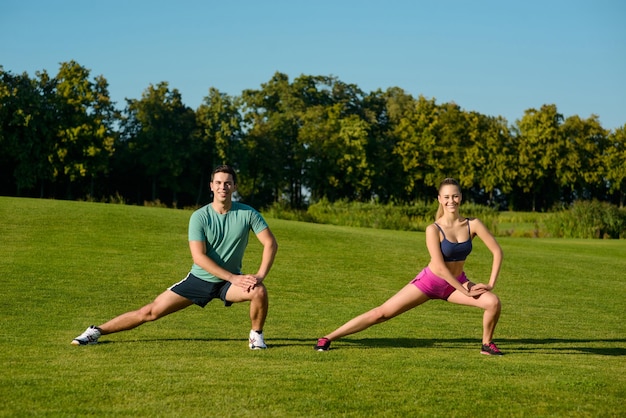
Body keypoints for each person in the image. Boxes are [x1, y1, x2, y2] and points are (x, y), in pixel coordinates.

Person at [72, 165, 278, 349]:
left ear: (234, 187)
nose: (223, 187)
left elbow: (270, 243)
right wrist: (233, 277)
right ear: (211, 186)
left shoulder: (248, 213)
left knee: (259, 291)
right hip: (200, 279)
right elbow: (199, 257)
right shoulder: (200, 216)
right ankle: (95, 332)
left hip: (228, 284)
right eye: (218, 183)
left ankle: (256, 337)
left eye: (227, 183)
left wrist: (259, 275)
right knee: (149, 312)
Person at [315, 178, 504, 355]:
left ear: (461, 197)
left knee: (493, 302)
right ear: (439, 199)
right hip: (431, 282)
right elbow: (439, 267)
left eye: (455, 196)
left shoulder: (473, 224)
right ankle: (328, 337)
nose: (451, 201)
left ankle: (486, 344)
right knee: (382, 313)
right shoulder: (433, 229)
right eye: (446, 197)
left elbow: (497, 252)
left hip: (457, 284)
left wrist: (490, 284)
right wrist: (465, 291)